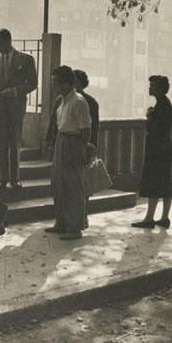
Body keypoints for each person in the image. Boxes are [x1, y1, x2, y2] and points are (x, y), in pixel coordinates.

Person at [0, 28, 37, 189]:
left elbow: (32, 83)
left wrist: (15, 92)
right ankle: (1, 178)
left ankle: (14, 178)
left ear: (8, 41)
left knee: (14, 142)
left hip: (16, 108)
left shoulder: (26, 59)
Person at [45, 66, 92, 240]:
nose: (52, 86)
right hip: (61, 141)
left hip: (73, 143)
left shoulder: (78, 102)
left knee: (73, 186)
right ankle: (61, 223)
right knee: (58, 184)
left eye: (54, 83)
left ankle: (74, 227)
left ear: (65, 84)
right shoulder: (62, 101)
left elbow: (85, 131)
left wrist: (76, 146)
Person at [132, 75, 172, 229]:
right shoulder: (164, 104)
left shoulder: (161, 106)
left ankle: (150, 218)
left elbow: (155, 129)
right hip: (163, 147)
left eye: (153, 86)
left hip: (158, 148)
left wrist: (149, 116)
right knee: (164, 181)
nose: (150, 88)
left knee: (154, 182)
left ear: (161, 89)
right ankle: (163, 217)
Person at [74, 69, 100, 228]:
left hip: (84, 146)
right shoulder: (64, 98)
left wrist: (91, 147)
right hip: (70, 146)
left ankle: (83, 216)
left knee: (84, 185)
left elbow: (94, 127)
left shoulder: (90, 102)